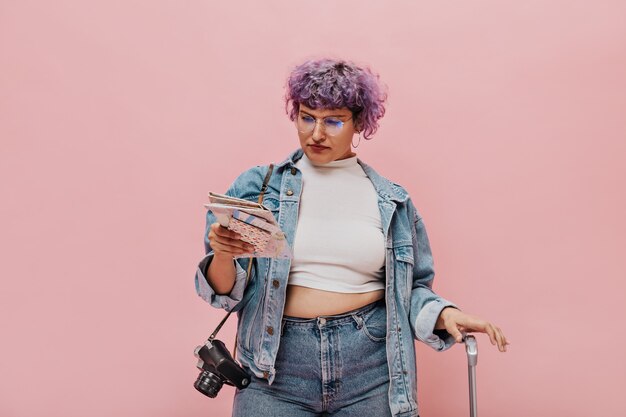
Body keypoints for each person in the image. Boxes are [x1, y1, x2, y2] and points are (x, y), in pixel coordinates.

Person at [194, 58, 509, 417]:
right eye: (307, 117)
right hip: (274, 369)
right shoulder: (259, 187)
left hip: (370, 368)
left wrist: (444, 314)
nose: (316, 133)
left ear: (359, 122)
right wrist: (221, 253)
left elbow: (412, 290)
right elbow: (224, 294)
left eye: (333, 121)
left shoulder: (392, 201)